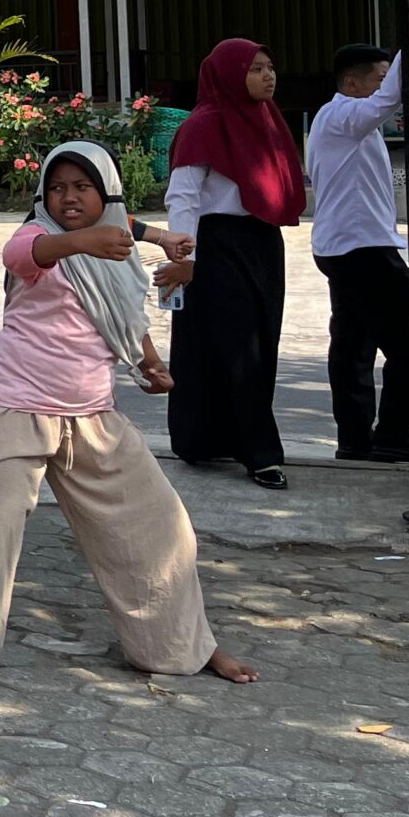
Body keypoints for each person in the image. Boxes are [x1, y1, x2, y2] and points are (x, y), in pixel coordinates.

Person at [0, 145, 255, 688]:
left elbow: (123, 313)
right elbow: (25, 257)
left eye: (82, 186)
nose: (69, 197)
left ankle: (183, 645)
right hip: (16, 405)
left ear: (106, 192)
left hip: (93, 415)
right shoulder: (35, 237)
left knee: (162, 527)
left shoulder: (118, 247)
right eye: (57, 187)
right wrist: (84, 241)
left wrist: (149, 362)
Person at [161, 39, 304, 489]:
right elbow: (183, 198)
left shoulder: (267, 121)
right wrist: (186, 257)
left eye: (270, 66)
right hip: (216, 244)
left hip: (262, 242)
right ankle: (260, 454)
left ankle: (209, 440)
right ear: (228, 73)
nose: (268, 75)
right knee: (238, 348)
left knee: (262, 340)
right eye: (255, 68)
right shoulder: (204, 125)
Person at [307, 10, 409, 461]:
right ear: (354, 84)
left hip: (350, 246)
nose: (388, 87)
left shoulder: (344, 122)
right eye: (381, 78)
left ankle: (357, 440)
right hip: (361, 249)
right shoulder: (342, 116)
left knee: (354, 347)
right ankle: (393, 437)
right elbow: (388, 102)